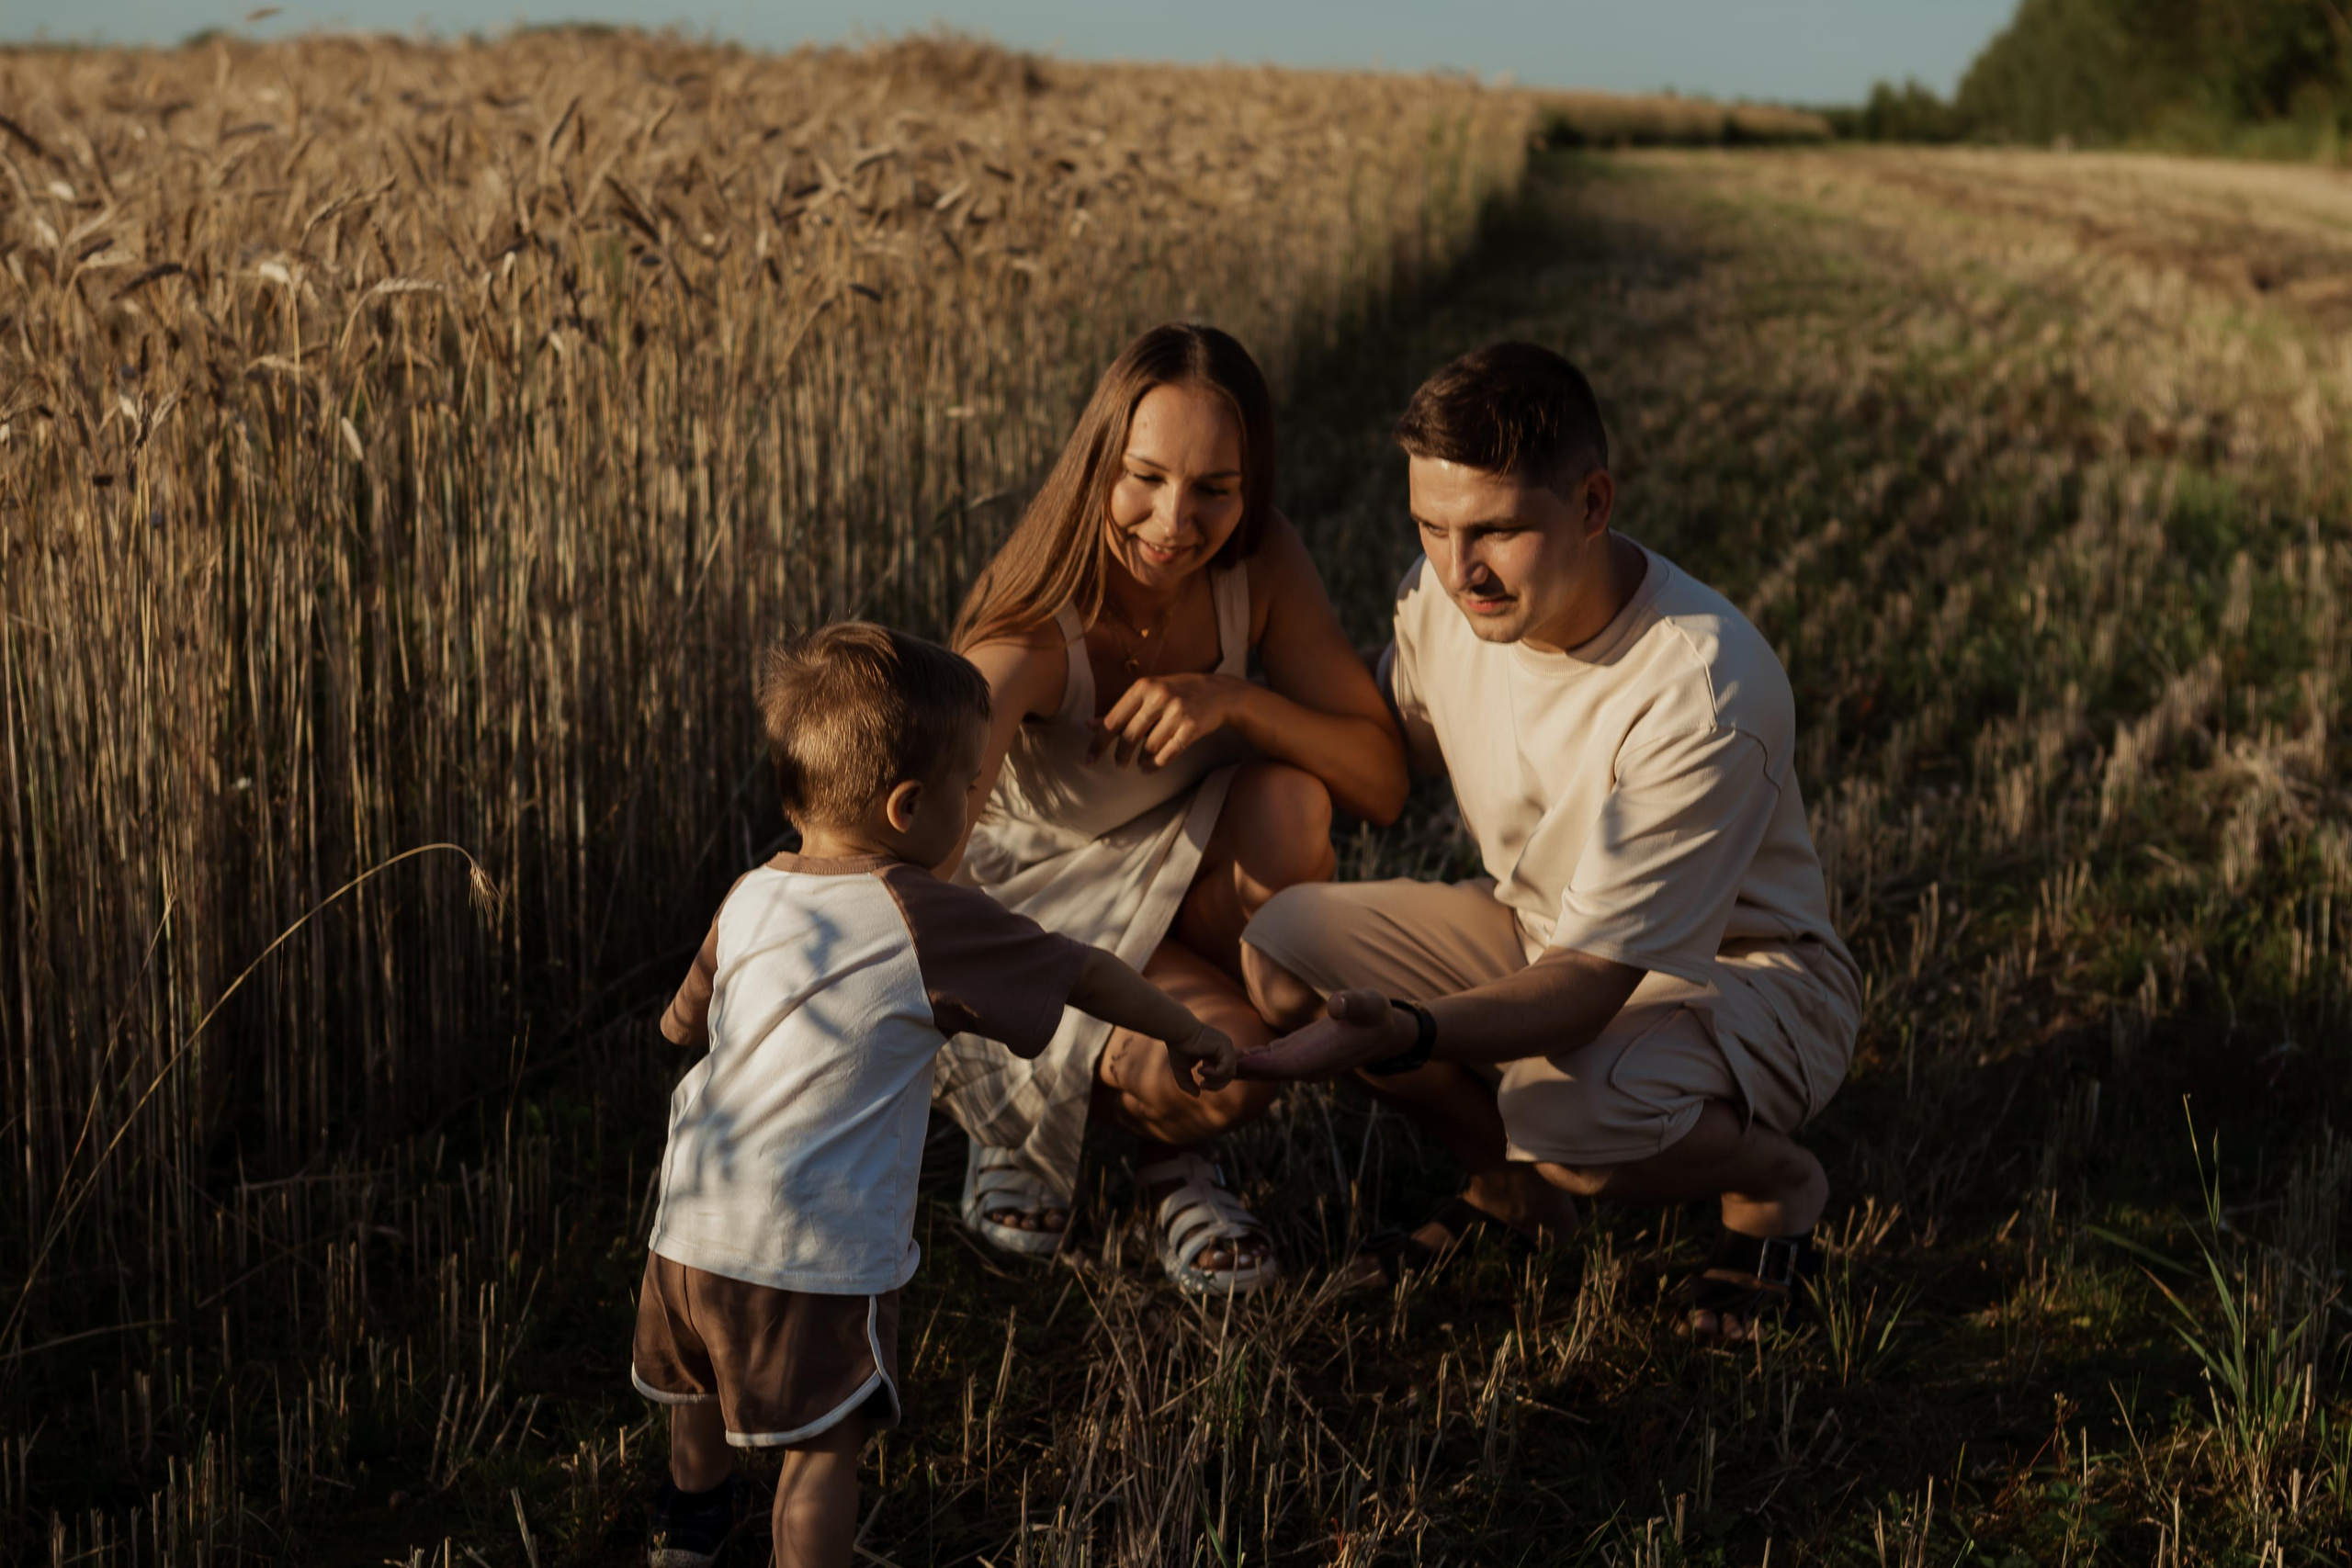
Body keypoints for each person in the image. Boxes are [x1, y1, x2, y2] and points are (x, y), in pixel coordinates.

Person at [1237, 343, 1861, 1342]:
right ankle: (1513, 1194)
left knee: (1564, 1119)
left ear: (1593, 503)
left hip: (1740, 978)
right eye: (1431, 527)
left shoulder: (1702, 688)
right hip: (1541, 935)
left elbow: (1593, 981)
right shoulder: (1446, 595)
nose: (1458, 570)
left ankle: (1776, 1189)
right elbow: (1384, 745)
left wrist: (1413, 1031)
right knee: (1282, 949)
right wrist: (1224, 705)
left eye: (1497, 530)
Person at [636, 624, 1238, 1567]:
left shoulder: (751, 892)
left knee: (700, 1381)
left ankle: (690, 1524)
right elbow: (1083, 971)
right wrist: (1189, 1031)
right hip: (813, 1252)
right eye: (971, 786)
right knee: (823, 1446)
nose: (976, 803)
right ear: (910, 806)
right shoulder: (924, 913)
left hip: (687, 1226)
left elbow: (685, 1020)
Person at [935, 322, 1407, 1295]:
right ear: (1098, 462)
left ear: (1252, 481)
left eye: (1215, 488)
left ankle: (1171, 1164)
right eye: (1144, 477)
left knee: (1289, 808)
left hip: (1173, 880)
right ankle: (1014, 1116)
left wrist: (1236, 700)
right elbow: (926, 854)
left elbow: (1382, 783)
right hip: (1037, 911)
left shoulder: (1260, 563)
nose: (1174, 521)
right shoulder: (1031, 622)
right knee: (1217, 1066)